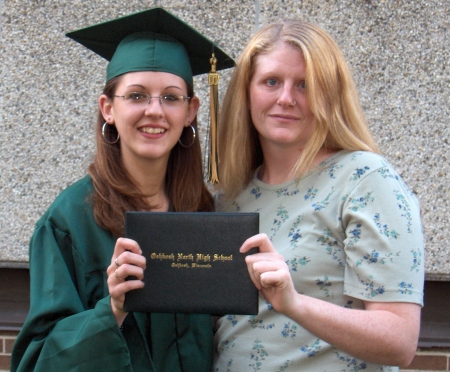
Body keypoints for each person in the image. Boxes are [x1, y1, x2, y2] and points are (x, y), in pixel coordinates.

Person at [11, 8, 233, 372]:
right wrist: (111, 309)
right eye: (136, 96)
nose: (155, 111)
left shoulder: (204, 214)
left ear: (191, 110)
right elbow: (37, 362)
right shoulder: (68, 221)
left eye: (171, 97)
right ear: (108, 108)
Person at [213, 19, 424, 371]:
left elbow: (399, 341)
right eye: (271, 82)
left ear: (330, 95)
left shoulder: (364, 180)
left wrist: (295, 303)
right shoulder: (231, 197)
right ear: (246, 92)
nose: (285, 98)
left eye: (305, 85)